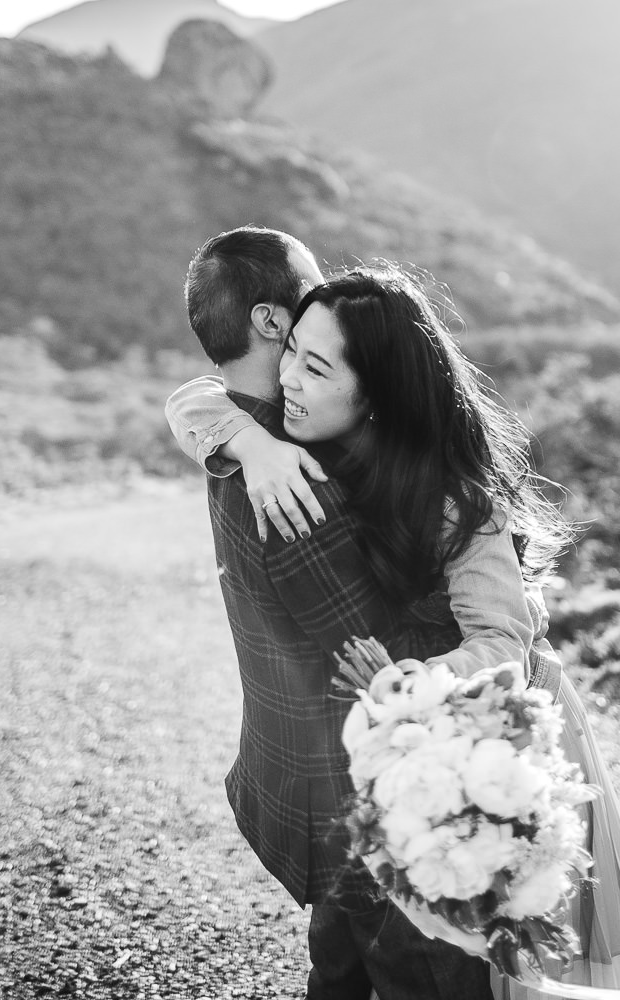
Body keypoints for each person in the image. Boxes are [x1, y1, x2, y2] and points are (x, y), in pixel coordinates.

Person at [167, 259, 620, 998]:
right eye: (290, 356)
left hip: (477, 736)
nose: (288, 382)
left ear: (380, 392)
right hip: (373, 767)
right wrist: (253, 443)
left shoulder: (456, 499)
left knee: (469, 963)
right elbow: (195, 398)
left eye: (315, 367)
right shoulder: (294, 450)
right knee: (349, 961)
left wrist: (407, 680)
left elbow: (502, 643)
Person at [177, 226, 497, 1000]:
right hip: (366, 797)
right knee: (425, 979)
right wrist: (485, 596)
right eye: (311, 288)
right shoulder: (293, 483)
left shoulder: (249, 440)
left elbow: (194, 400)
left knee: (340, 973)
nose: (328, 296)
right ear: (270, 321)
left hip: (319, 781)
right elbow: (379, 659)